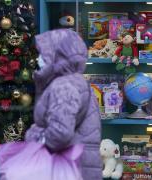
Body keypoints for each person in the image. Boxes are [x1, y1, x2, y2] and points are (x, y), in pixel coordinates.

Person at [25, 29, 102, 180]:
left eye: (44, 54)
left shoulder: (63, 86)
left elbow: (60, 133)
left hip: (65, 169)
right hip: (81, 166)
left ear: (58, 56)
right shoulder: (78, 81)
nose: (39, 59)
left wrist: (35, 135)